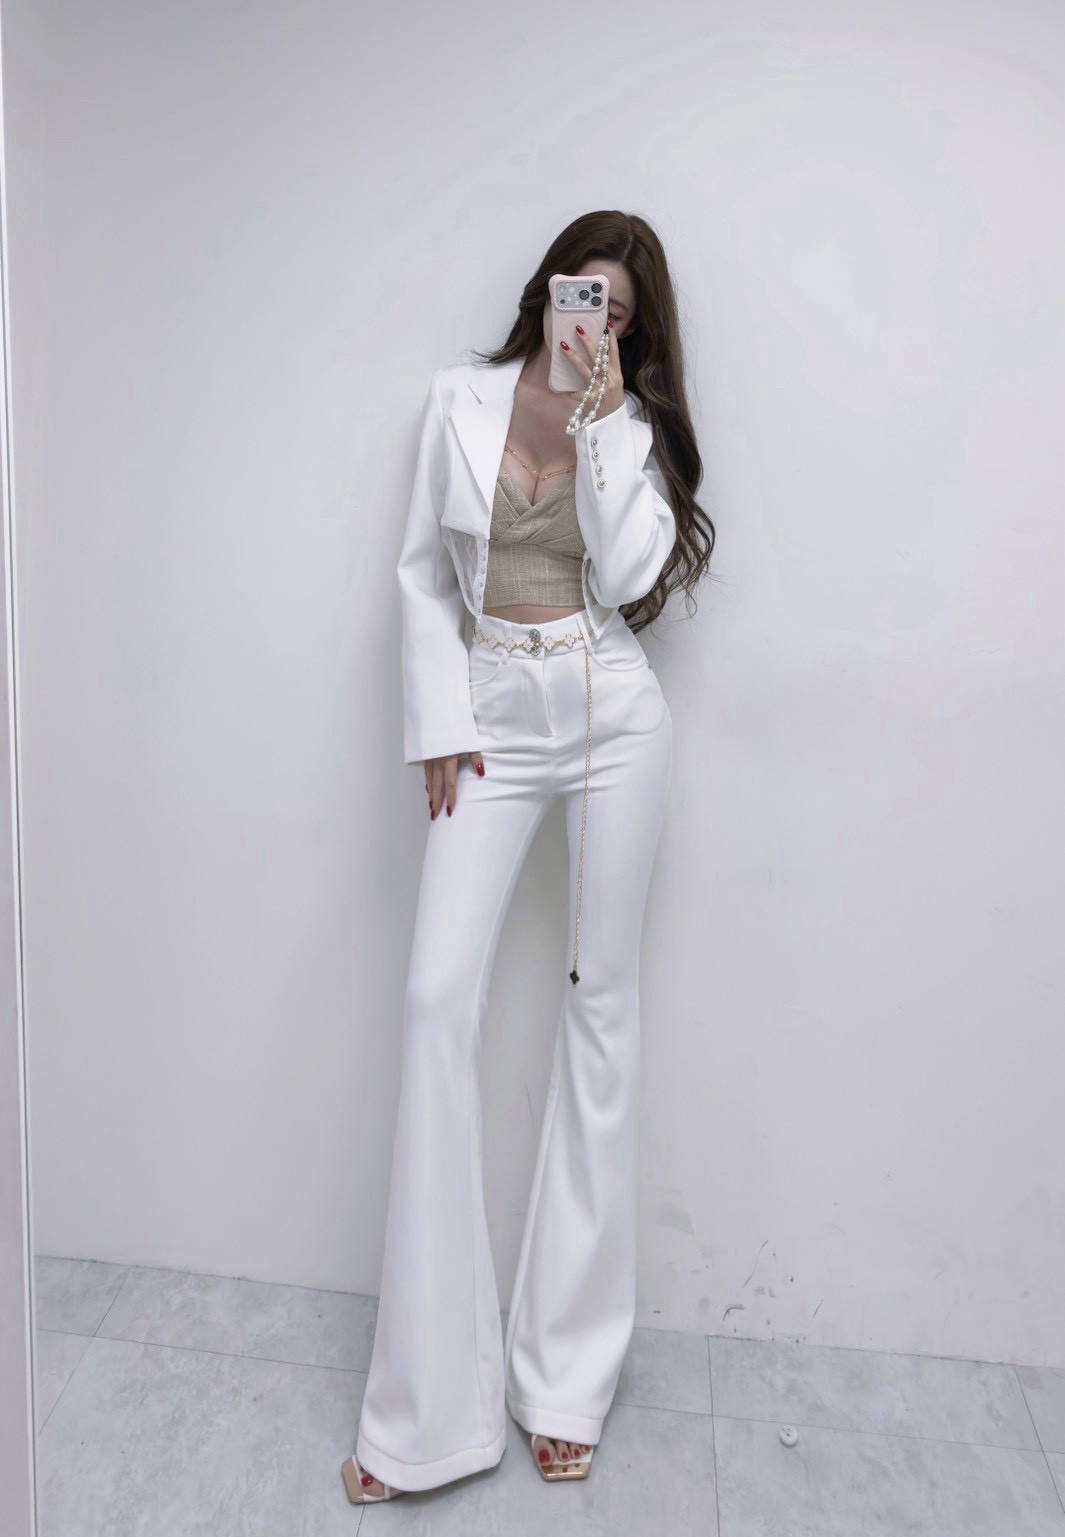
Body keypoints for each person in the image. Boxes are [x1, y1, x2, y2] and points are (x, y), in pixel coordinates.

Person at [341, 210, 714, 1504]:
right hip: (492, 712)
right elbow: (419, 580)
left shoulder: (635, 434)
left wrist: (606, 422)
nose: (589, 325)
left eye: (617, 313)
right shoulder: (457, 402)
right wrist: (440, 723)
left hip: (613, 714)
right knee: (434, 998)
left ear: (635, 332)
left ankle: (566, 1378)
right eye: (579, 296)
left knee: (598, 1009)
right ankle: (423, 1412)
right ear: (545, 292)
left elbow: (629, 570)